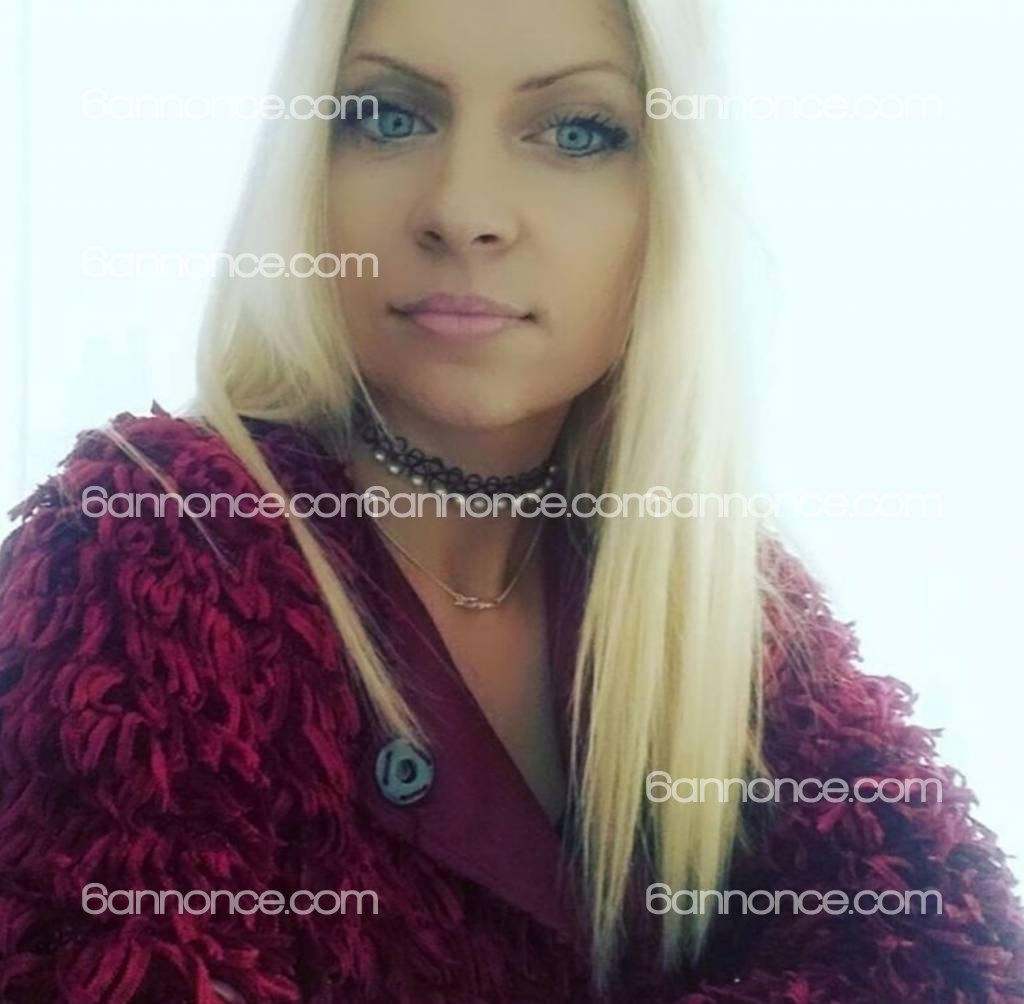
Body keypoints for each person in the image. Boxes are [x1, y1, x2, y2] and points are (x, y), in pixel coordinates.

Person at [1, 0, 1021, 1001]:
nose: (463, 210)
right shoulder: (153, 533)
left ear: (672, 198)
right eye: (387, 115)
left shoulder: (713, 583)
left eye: (576, 130)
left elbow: (946, 950)